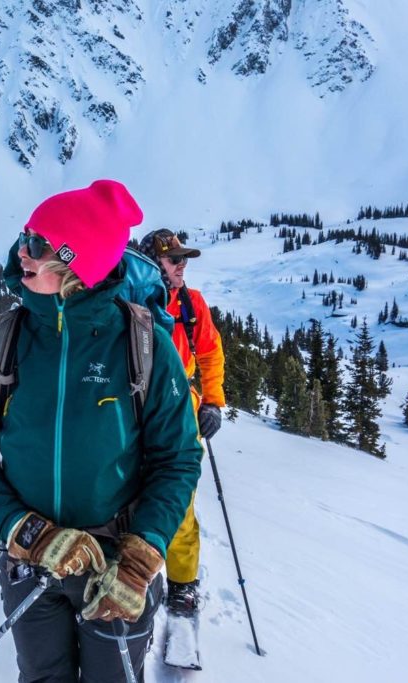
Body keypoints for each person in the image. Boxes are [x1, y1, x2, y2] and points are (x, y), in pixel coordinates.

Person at [0, 180, 203, 682]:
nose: (23, 253)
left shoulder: (144, 347)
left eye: (39, 245)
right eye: (25, 237)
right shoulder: (1, 344)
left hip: (116, 566)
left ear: (76, 265)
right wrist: (26, 531)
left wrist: (144, 551)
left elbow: (178, 460)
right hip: (30, 564)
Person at [137, 228, 226, 618]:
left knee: (178, 500)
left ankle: (183, 584)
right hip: (131, 409)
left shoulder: (192, 304)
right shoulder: (132, 298)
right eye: (175, 259)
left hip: (179, 410)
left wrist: (214, 402)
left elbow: (210, 354)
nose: (182, 265)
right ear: (154, 264)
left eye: (183, 259)